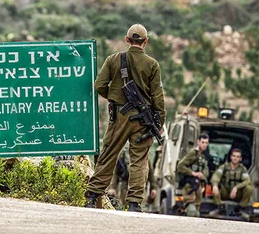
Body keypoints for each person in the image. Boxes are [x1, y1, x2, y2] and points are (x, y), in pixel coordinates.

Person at [85, 24, 166, 212]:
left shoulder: (113, 59)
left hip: (119, 116)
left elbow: (99, 85)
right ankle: (134, 203)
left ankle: (93, 195)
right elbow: (158, 97)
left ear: (127, 40)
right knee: (139, 160)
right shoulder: (152, 64)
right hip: (142, 121)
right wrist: (158, 122)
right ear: (145, 42)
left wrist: (114, 98)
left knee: (109, 154)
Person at [208, 148, 254, 220]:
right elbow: (216, 176)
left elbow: (247, 181)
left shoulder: (242, 169)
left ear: (240, 159)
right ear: (231, 157)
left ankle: (241, 209)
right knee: (216, 186)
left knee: (249, 188)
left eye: (238, 157)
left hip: (236, 194)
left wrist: (236, 188)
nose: (235, 158)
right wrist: (215, 185)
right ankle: (219, 208)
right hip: (225, 192)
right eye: (234, 156)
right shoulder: (224, 167)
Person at [176, 133, 210, 217]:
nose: (204, 145)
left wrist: (203, 179)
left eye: (206, 143)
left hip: (198, 187)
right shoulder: (193, 153)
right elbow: (180, 166)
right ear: (198, 142)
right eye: (203, 142)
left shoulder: (203, 155)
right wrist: (193, 173)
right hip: (189, 187)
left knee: (197, 213)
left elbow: (205, 172)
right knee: (191, 212)